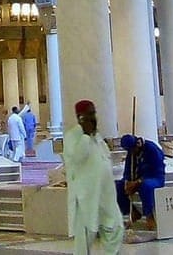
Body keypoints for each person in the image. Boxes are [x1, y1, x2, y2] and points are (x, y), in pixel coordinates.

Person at [60, 99, 124, 255]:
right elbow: (76, 158)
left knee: (116, 227)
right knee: (84, 238)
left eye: (94, 113)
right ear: (79, 117)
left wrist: (91, 135)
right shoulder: (73, 136)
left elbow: (104, 159)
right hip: (85, 197)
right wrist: (86, 136)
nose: (93, 117)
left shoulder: (97, 136)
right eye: (89, 114)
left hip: (105, 195)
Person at [117, 133, 167, 227]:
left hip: (154, 178)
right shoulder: (131, 153)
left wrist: (138, 182)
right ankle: (132, 211)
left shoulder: (152, 149)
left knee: (146, 186)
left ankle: (149, 215)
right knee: (118, 186)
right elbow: (128, 170)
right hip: (136, 179)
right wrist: (127, 182)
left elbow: (157, 169)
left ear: (137, 144)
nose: (131, 152)